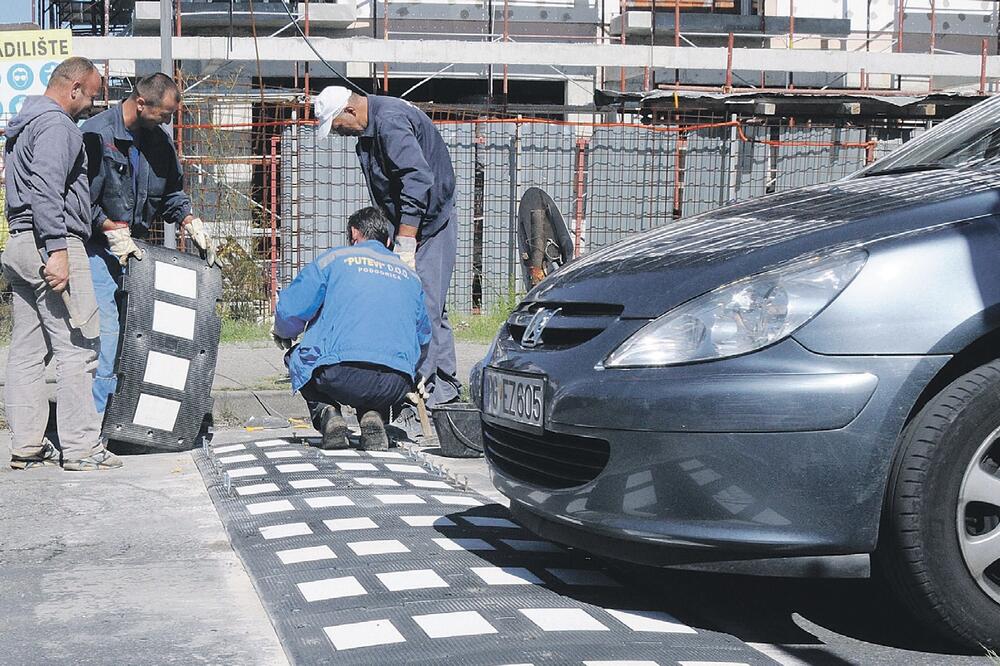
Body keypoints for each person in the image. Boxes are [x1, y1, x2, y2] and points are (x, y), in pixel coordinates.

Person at [2, 56, 122, 471]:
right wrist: (57, 249)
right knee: (80, 348)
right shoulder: (56, 126)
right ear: (73, 89)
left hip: (19, 242)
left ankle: (28, 444)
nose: (90, 106)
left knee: (27, 352)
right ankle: (82, 447)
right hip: (51, 243)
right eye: (89, 96)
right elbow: (47, 190)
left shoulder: (23, 124)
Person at [312, 86, 461, 409]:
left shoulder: (390, 121)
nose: (339, 134)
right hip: (411, 222)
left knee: (423, 305)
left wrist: (406, 241)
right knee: (432, 306)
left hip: (429, 225)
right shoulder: (372, 127)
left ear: (350, 111)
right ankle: (445, 388)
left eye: (337, 126)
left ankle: (420, 398)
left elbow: (417, 180)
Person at [82, 72, 215, 416]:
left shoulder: (159, 141)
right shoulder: (96, 135)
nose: (168, 121)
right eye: (165, 114)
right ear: (141, 103)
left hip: (134, 250)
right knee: (106, 335)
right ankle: (95, 425)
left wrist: (190, 220)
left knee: (135, 335)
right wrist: (106, 226)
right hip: (97, 248)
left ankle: (121, 417)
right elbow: (78, 197)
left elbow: (170, 193)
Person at [272, 207, 431, 451]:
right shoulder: (410, 275)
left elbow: (291, 310)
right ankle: (373, 415)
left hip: (338, 373)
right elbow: (423, 338)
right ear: (387, 241)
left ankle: (328, 414)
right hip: (394, 383)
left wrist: (284, 332)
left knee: (297, 357)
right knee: (378, 372)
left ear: (354, 234)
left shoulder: (334, 260)